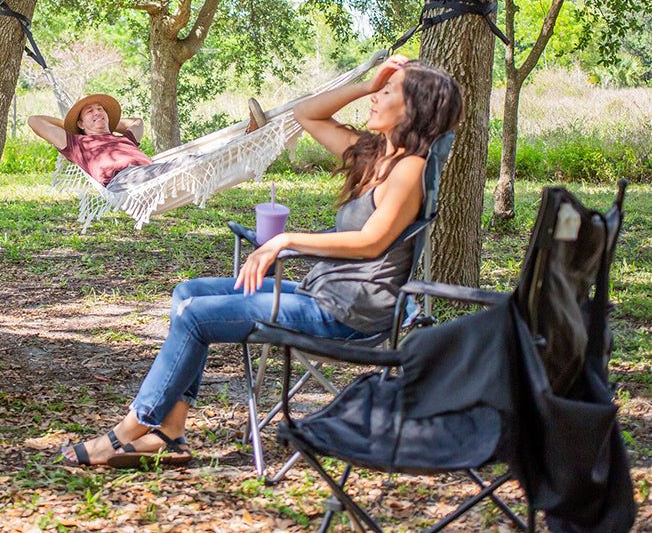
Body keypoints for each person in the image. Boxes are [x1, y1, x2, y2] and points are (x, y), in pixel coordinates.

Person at [58, 54, 463, 467]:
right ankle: (171, 434)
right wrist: (364, 84)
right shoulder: (374, 154)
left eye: (388, 91)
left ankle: (127, 432)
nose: (376, 97)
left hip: (348, 313)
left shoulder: (409, 168)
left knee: (196, 316)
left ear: (415, 108)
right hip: (323, 293)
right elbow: (307, 113)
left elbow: (372, 243)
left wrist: (282, 240)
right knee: (188, 292)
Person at [28, 95, 268, 189]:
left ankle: (248, 138)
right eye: (90, 112)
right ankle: (249, 140)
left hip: (151, 172)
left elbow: (138, 122)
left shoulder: (123, 139)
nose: (97, 112)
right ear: (80, 124)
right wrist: (72, 124)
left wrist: (108, 122)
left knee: (192, 158)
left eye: (100, 109)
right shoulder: (76, 144)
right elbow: (34, 120)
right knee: (188, 161)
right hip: (125, 180)